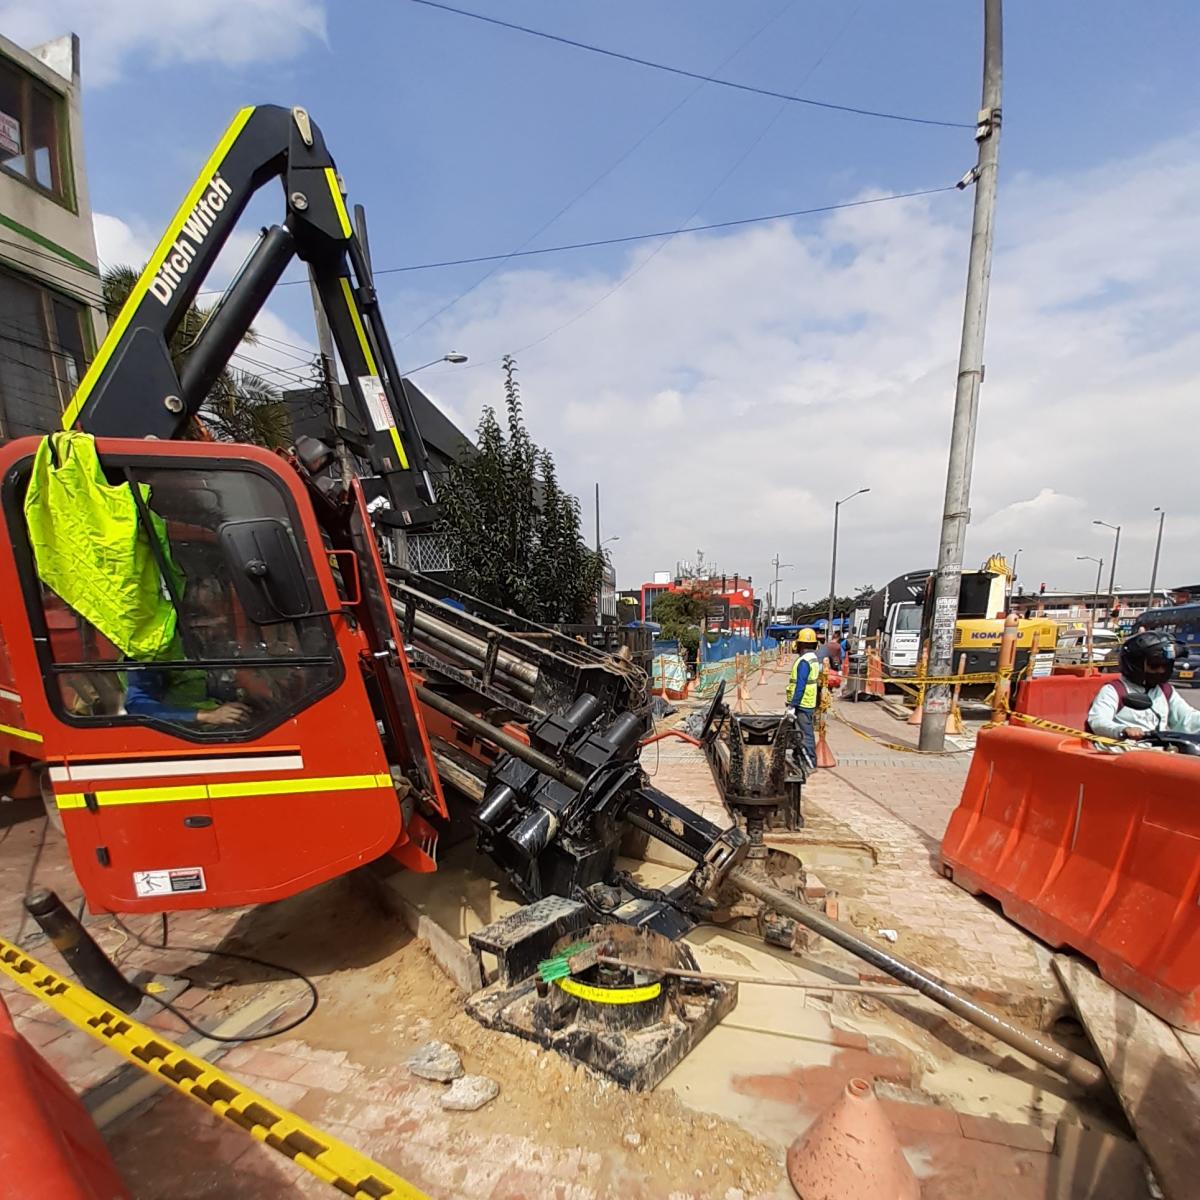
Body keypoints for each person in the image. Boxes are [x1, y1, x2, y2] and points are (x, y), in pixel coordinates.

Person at [1086, 630, 1200, 747]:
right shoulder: (1115, 690)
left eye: (1165, 665)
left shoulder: (1165, 691)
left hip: (1159, 753)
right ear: (1136, 664)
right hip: (1123, 754)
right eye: (1154, 665)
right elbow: (1098, 721)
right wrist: (1124, 730)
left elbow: (1186, 718)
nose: (1161, 670)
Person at [787, 628, 821, 766]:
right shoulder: (813, 659)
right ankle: (799, 758)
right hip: (809, 702)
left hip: (802, 704)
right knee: (799, 733)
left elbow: (800, 686)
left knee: (805, 734)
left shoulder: (803, 662)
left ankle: (810, 762)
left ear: (799, 644)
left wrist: (792, 706)